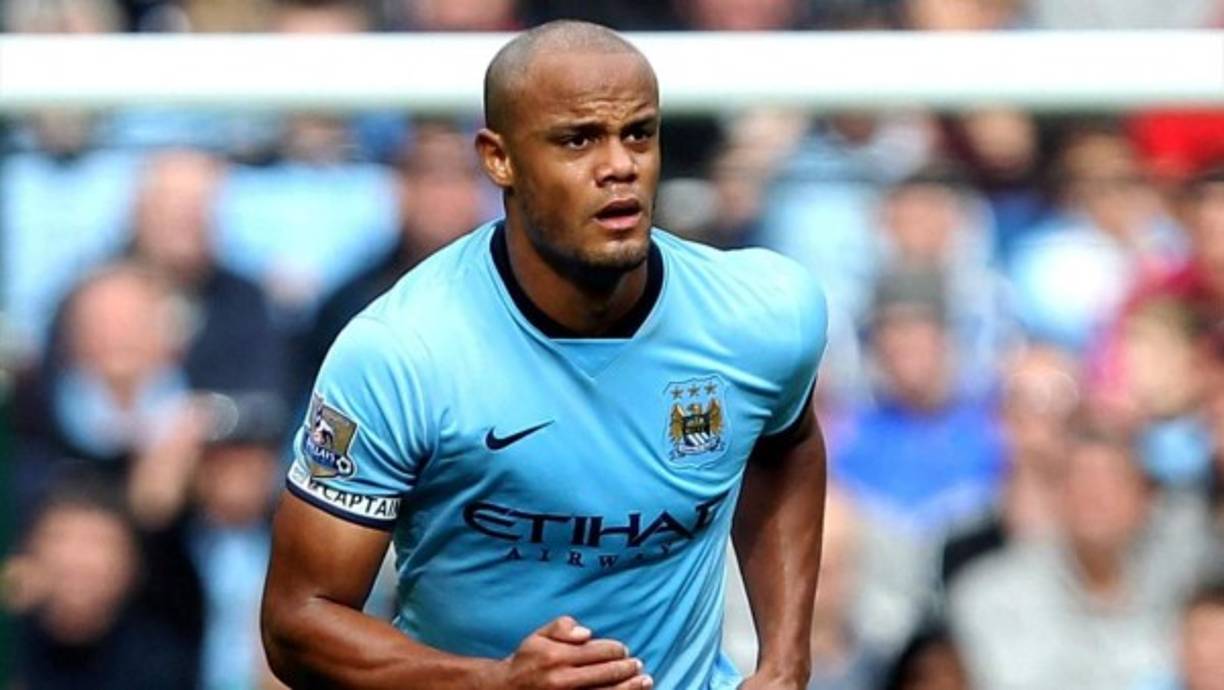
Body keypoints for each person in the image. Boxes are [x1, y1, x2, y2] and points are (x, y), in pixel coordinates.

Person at [261, 20, 829, 690]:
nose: (619, 165)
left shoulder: (763, 314)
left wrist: (786, 660)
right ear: (498, 158)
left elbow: (786, 445)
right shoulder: (402, 352)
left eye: (638, 133)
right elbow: (297, 621)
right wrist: (495, 683)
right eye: (578, 138)